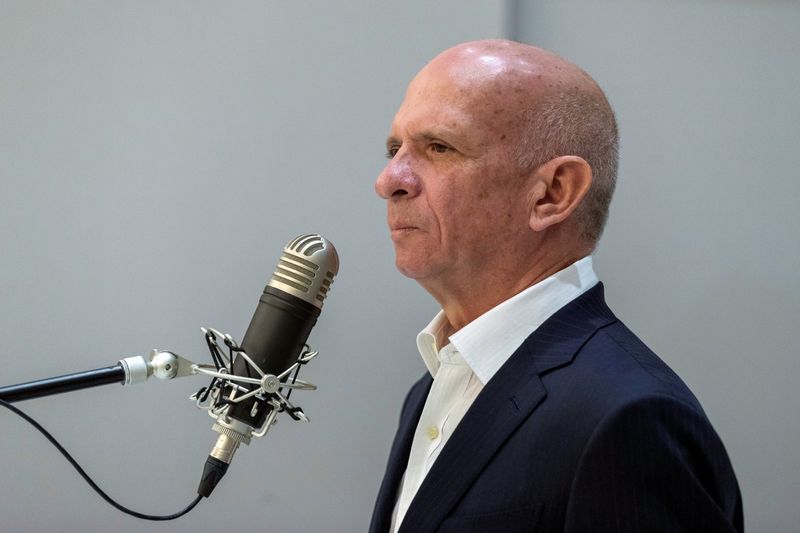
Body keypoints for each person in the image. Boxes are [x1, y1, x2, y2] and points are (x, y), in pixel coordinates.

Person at [369, 39, 743, 533]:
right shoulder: (435, 385)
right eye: (396, 149)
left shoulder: (628, 418)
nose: (389, 179)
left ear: (552, 193)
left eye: (439, 147)